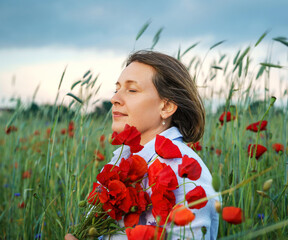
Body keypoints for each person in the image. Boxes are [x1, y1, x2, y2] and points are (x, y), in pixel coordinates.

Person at [66, 50, 219, 240]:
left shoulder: (187, 176)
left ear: (166, 107)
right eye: (117, 89)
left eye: (131, 90)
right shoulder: (119, 161)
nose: (114, 99)